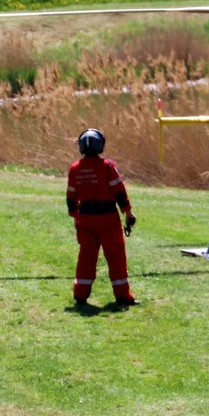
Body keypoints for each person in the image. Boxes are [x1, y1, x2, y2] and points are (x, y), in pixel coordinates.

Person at [66, 128, 138, 306]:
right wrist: (128, 212)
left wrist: (76, 217)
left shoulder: (75, 168)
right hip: (107, 218)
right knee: (116, 258)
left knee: (86, 258)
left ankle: (80, 294)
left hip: (85, 218)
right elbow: (119, 192)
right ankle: (122, 296)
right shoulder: (107, 166)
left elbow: (70, 197)